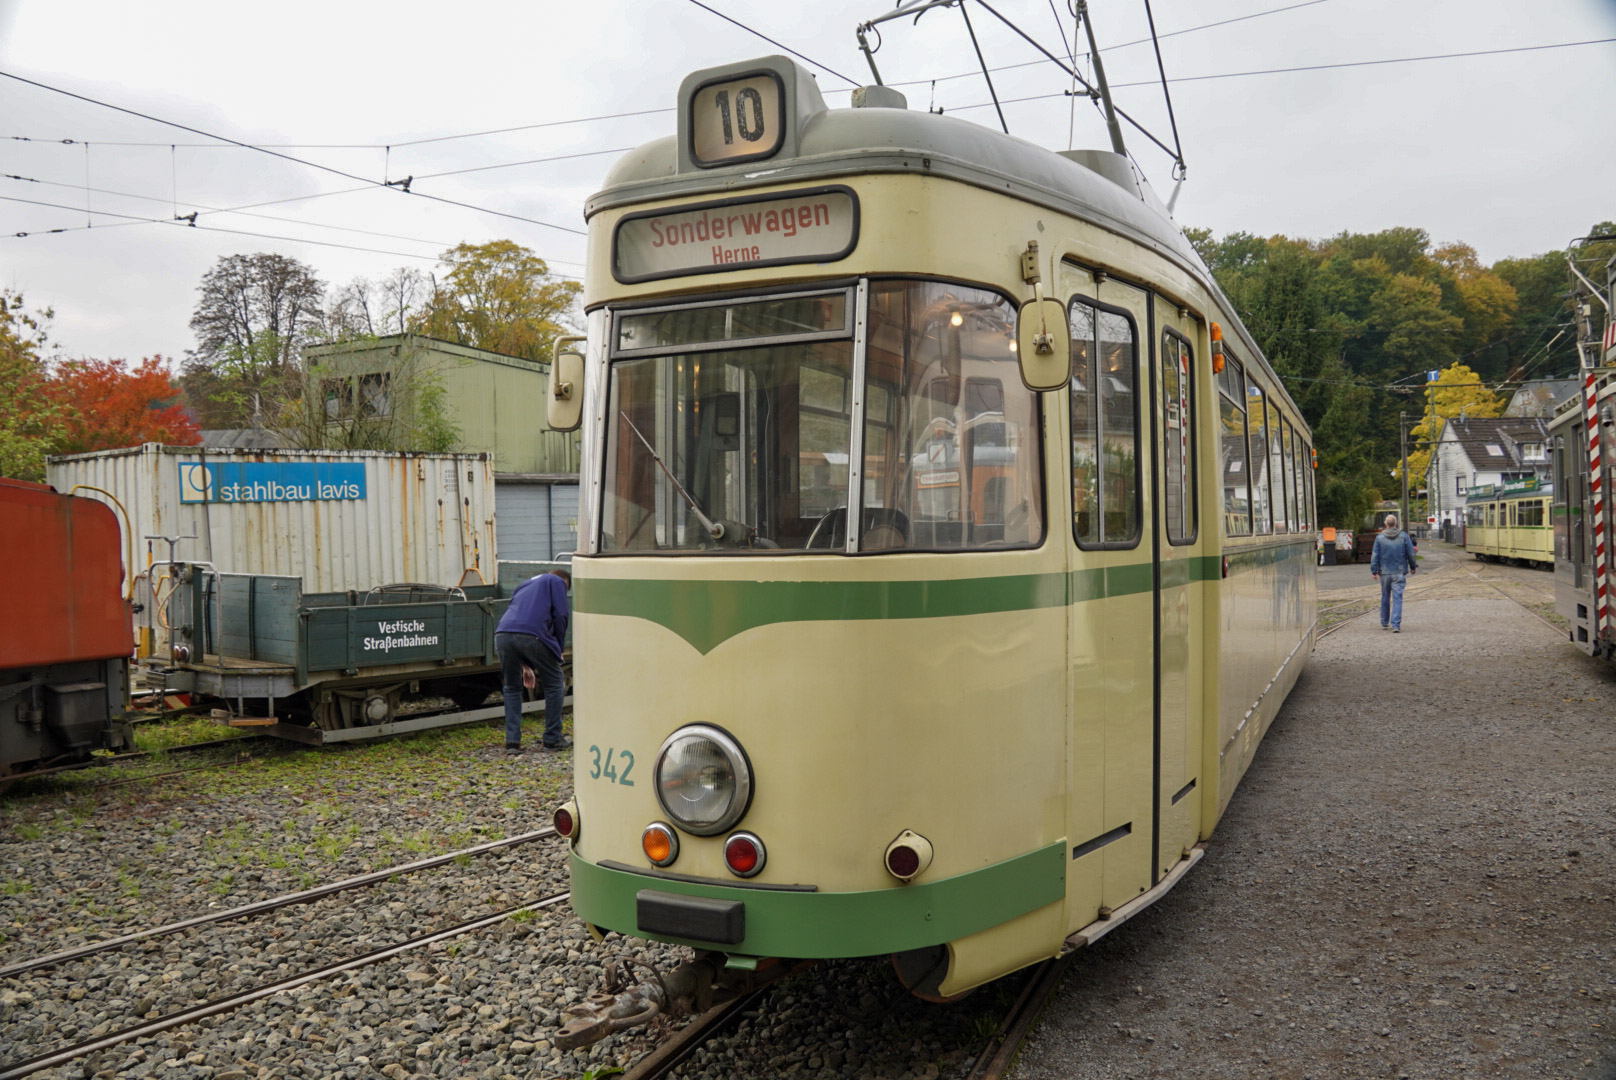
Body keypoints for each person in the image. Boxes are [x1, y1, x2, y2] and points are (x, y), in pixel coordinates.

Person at [494, 569, 571, 753]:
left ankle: (512, 743)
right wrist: (559, 648)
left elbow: (517, 625)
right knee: (555, 683)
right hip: (532, 635)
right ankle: (552, 739)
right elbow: (561, 615)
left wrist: (526, 666)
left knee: (512, 688)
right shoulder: (557, 581)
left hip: (502, 634)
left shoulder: (524, 584)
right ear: (565, 582)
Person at [1369, 514, 1417, 632]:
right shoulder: (1404, 536)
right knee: (1397, 598)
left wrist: (1374, 570)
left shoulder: (1379, 538)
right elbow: (1411, 553)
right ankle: (1395, 624)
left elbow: (1375, 555)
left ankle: (1384, 622)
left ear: (1386, 524)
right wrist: (1413, 566)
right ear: (1395, 524)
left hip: (1384, 572)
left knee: (1385, 596)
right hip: (1399, 571)